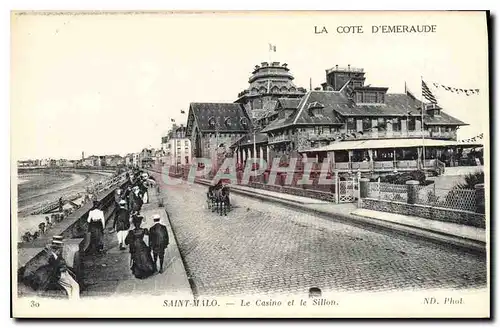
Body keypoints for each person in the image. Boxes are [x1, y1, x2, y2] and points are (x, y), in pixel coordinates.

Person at [45, 236, 80, 300]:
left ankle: (74, 300)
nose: (60, 250)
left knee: (75, 285)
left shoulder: (57, 256)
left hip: (64, 273)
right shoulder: (51, 257)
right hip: (59, 275)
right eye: (59, 248)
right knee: (72, 287)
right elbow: (53, 269)